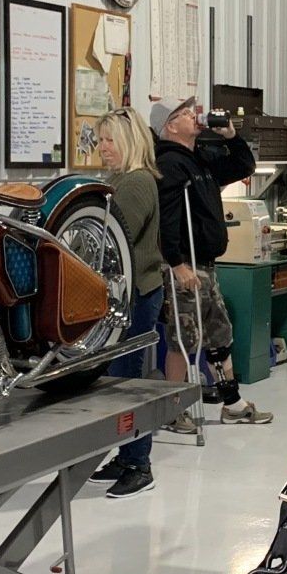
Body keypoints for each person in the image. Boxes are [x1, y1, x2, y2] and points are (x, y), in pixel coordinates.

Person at [152, 96, 274, 427]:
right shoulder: (170, 164)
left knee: (219, 333)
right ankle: (173, 410)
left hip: (206, 264)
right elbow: (167, 219)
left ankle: (232, 404)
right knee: (183, 338)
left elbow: (244, 167)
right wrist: (176, 264)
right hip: (186, 265)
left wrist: (231, 137)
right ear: (170, 126)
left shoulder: (199, 160)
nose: (194, 116)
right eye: (184, 113)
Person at [89, 109, 167, 498]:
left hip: (137, 296)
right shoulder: (119, 179)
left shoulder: (135, 182)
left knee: (128, 384)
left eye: (109, 140)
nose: (102, 147)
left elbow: (114, 240)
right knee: (119, 380)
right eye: (100, 140)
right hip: (128, 295)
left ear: (129, 142)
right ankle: (125, 456)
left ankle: (139, 464)